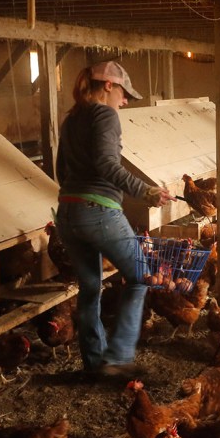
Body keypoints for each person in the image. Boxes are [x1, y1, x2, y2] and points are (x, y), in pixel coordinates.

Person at [54, 60, 171, 379]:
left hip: (68, 212)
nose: (125, 101)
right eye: (124, 93)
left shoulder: (71, 119)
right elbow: (107, 164)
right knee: (141, 275)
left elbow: (61, 171)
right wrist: (145, 191)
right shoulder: (105, 115)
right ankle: (118, 358)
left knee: (90, 288)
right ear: (108, 85)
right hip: (99, 211)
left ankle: (94, 364)